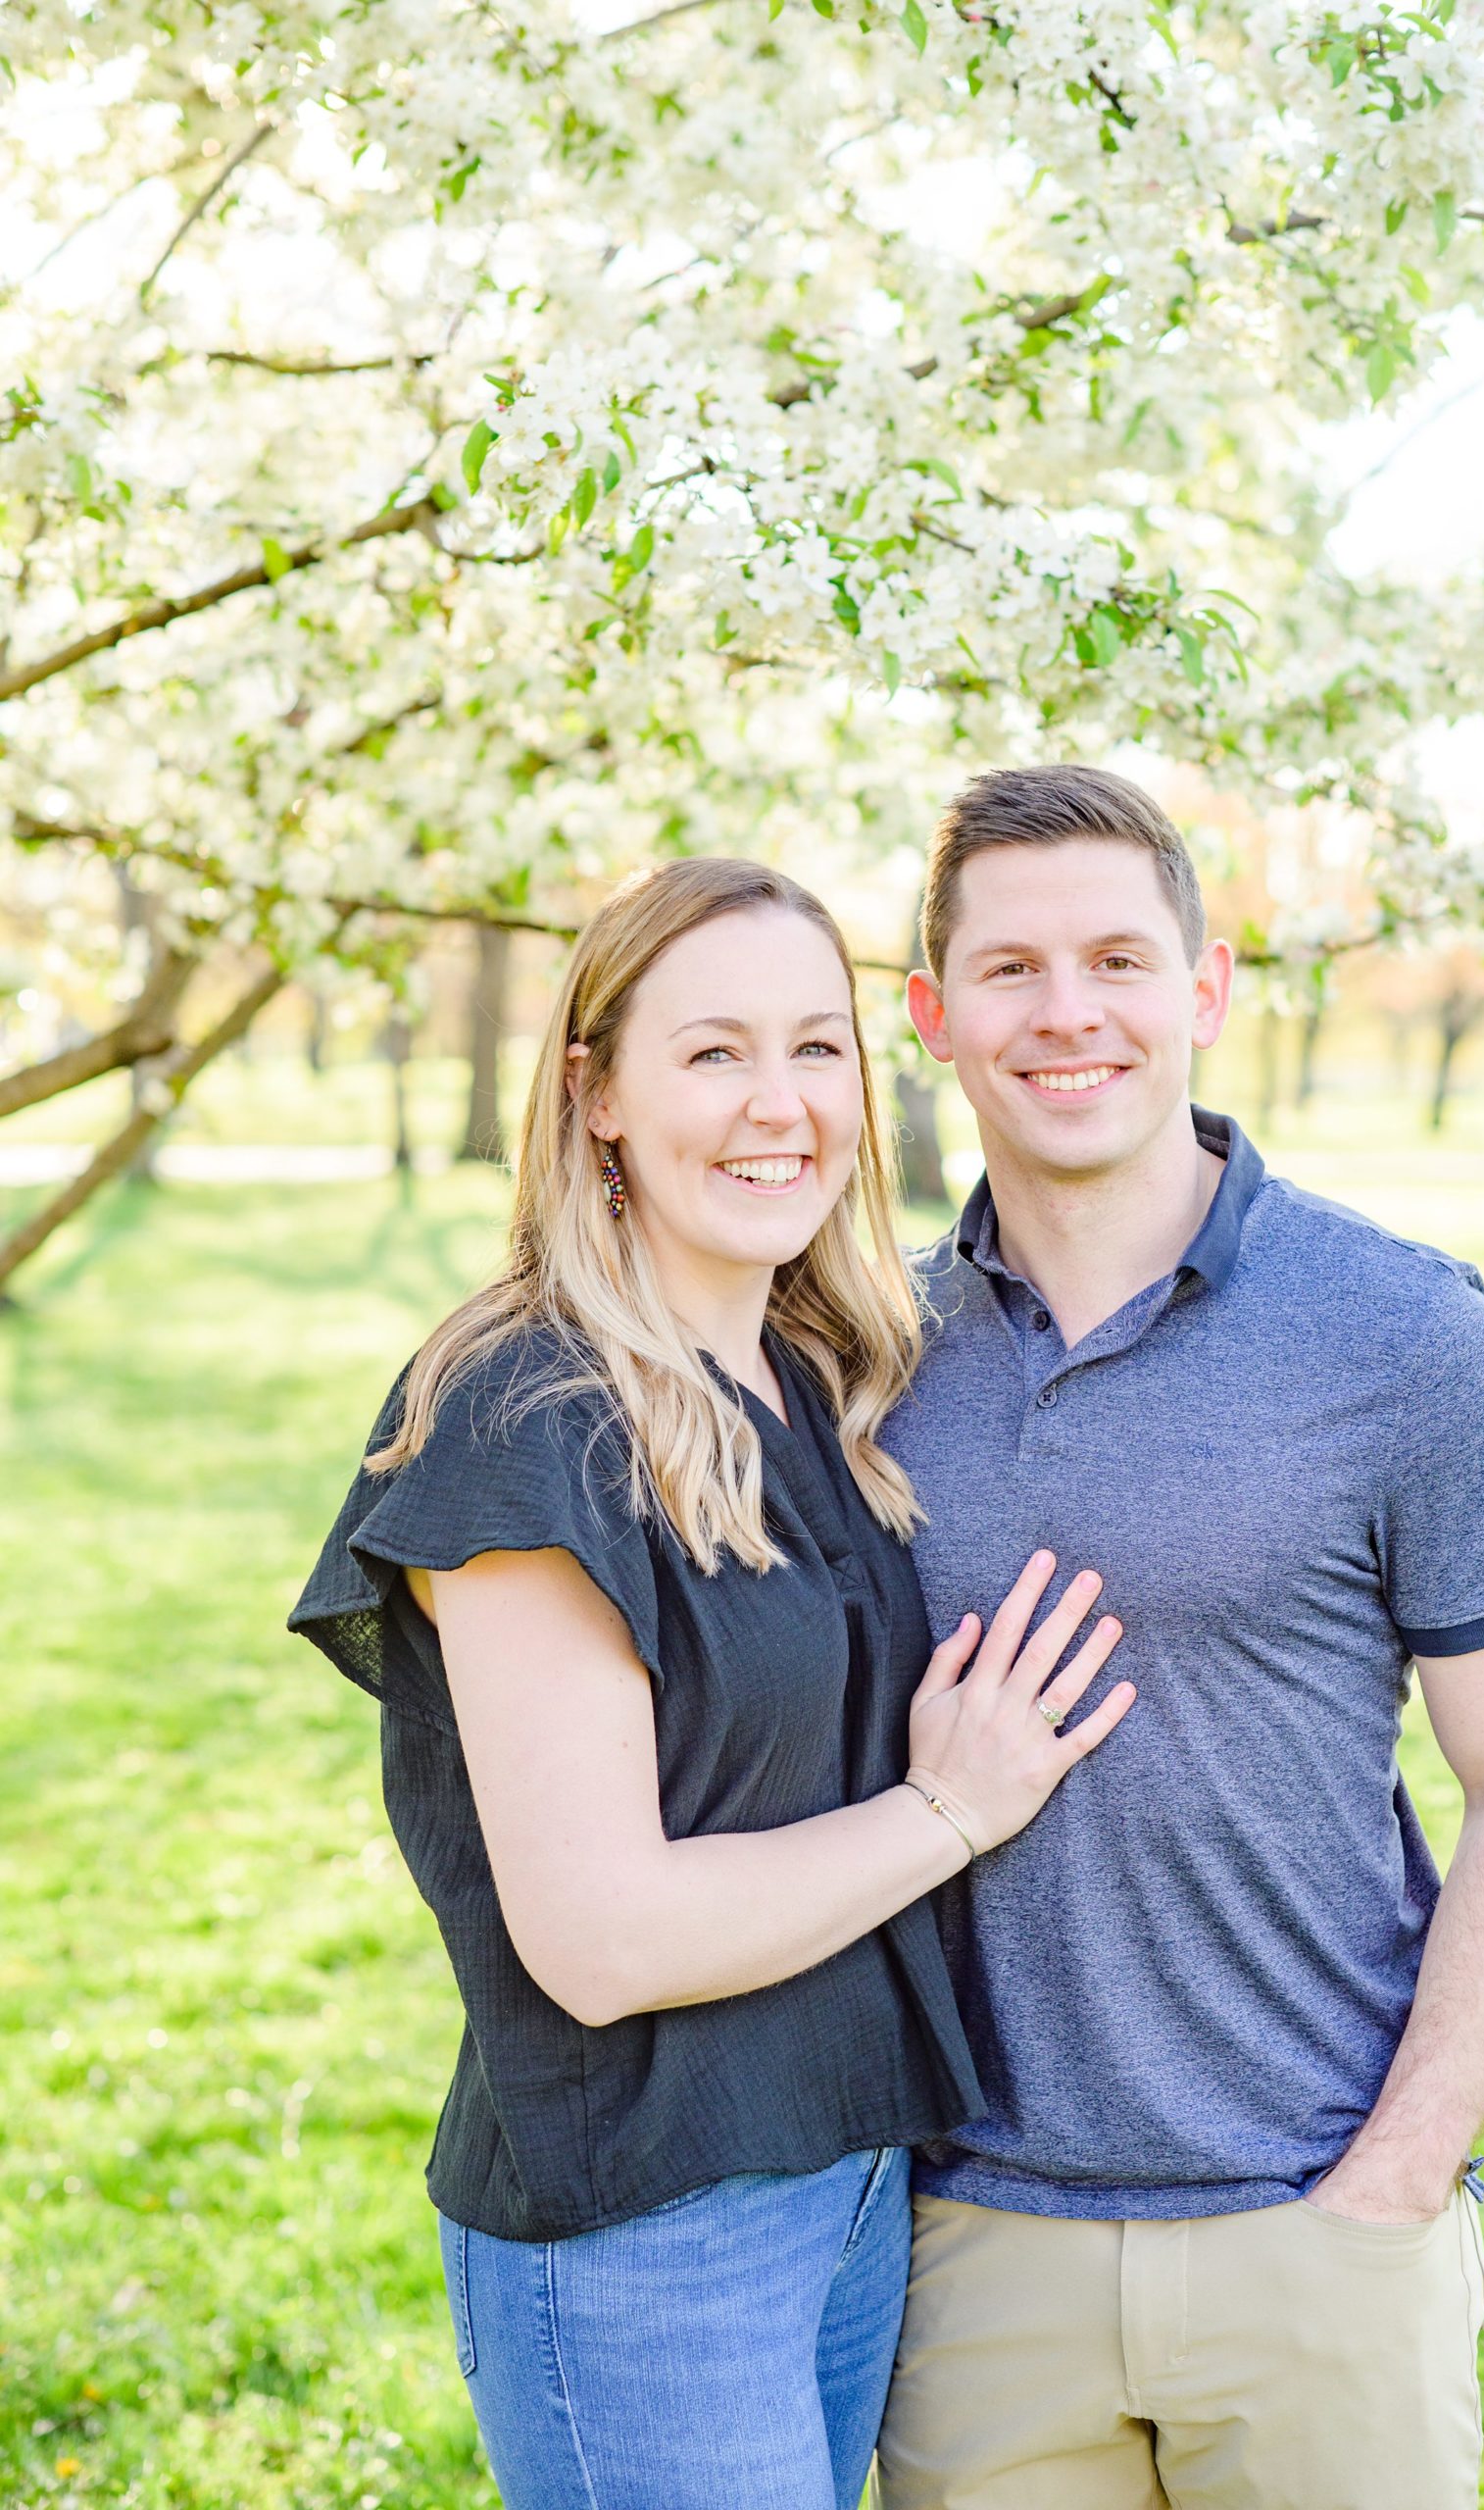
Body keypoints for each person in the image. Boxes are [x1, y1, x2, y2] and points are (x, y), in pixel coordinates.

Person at [289, 856, 1136, 2510]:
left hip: (849, 2186)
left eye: (819, 1050)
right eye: (714, 1053)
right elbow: (601, 1942)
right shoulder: (526, 1417)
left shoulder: (814, 1377)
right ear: (596, 1095)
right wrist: (951, 1809)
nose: (781, 1106)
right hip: (645, 2234)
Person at [875, 765, 1484, 2510]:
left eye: (1120, 961)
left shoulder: (1409, 1337)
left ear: (1204, 994)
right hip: (967, 2250)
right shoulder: (862, 1354)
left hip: (1318, 2231)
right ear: (933, 1018)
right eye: (1013, 970)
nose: (1069, 1015)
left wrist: (1397, 2184)